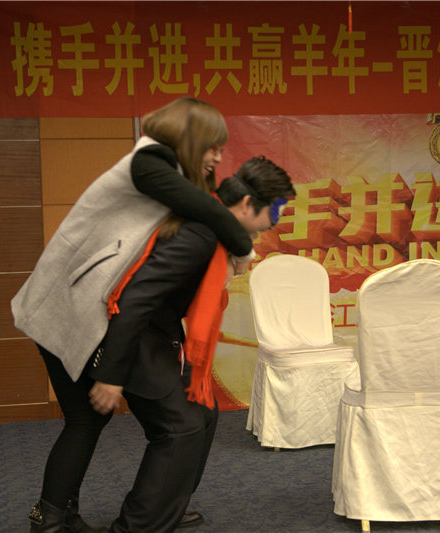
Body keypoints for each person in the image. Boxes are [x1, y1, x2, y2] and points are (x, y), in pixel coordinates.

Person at [12, 97, 255, 532]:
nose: (219, 157)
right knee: (100, 419)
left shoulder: (170, 176)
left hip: (72, 310)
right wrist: (243, 248)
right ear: (188, 139)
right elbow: (211, 212)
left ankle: (52, 518)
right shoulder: (148, 161)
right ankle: (57, 518)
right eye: (212, 146)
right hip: (67, 311)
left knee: (86, 420)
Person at [88, 156, 296, 533]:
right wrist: (110, 375)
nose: (275, 221)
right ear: (247, 205)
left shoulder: (216, 232)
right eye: (276, 209)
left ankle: (166, 505)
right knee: (179, 427)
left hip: (159, 331)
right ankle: (137, 525)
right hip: (129, 333)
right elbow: (135, 300)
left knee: (204, 412)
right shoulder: (198, 237)